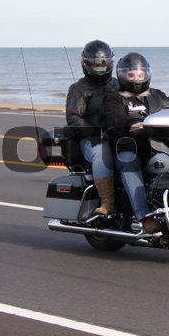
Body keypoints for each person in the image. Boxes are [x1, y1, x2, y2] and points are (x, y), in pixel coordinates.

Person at [103, 53, 166, 233]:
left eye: (140, 74)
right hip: (129, 148)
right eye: (131, 75)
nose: (137, 79)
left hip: (158, 147)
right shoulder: (114, 97)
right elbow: (115, 118)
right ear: (122, 76)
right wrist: (132, 124)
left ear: (146, 74)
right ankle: (144, 217)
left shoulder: (158, 95)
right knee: (128, 162)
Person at [65, 40, 118, 216]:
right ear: (86, 64)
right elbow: (73, 117)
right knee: (102, 153)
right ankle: (107, 202)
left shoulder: (118, 85)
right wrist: (97, 132)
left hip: (117, 135)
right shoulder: (79, 89)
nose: (100, 68)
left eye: (104, 63)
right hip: (91, 139)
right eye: (96, 64)